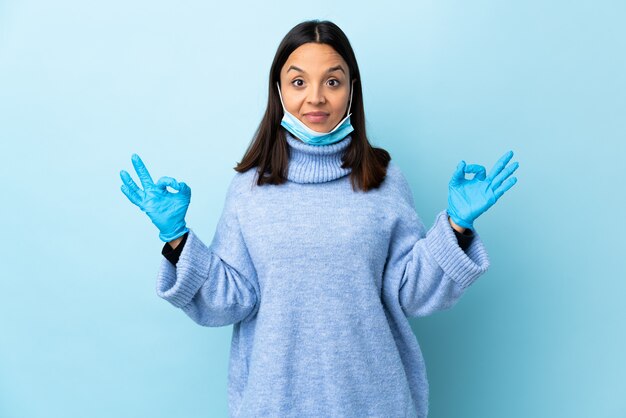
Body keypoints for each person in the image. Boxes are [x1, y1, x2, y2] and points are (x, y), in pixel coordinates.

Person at [119, 19, 518, 418]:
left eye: (332, 81)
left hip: (375, 404)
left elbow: (410, 292)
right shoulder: (249, 188)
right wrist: (177, 237)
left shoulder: (384, 179)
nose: (315, 98)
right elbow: (232, 300)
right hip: (275, 405)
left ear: (352, 89)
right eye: (298, 82)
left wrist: (455, 227)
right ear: (278, 90)